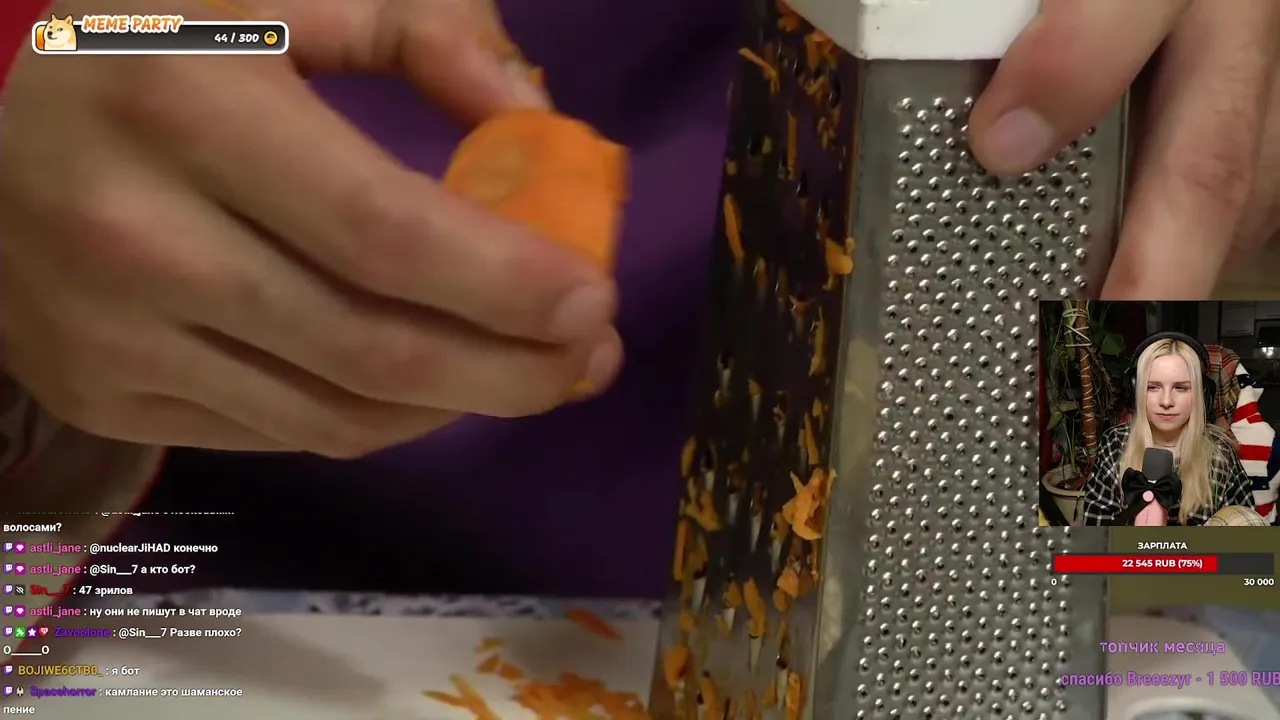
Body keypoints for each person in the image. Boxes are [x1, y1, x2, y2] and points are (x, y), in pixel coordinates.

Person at [0, 0, 1277, 602]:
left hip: (966, 529)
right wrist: (27, 57)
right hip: (169, 600)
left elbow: (1183, 553)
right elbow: (70, 42)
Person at [1082, 333, 1254, 526]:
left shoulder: (1221, 453)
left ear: (1201, 394)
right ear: (1136, 390)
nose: (1166, 401)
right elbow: (1096, 531)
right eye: (1153, 387)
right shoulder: (1114, 443)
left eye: (1180, 388)